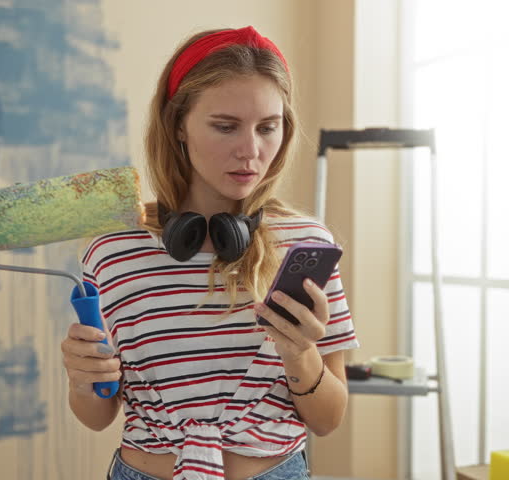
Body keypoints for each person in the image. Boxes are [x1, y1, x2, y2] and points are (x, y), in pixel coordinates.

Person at [61, 26, 359, 480]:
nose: (251, 151)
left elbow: (328, 419)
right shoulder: (113, 249)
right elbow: (98, 415)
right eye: (225, 126)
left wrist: (300, 354)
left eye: (268, 128)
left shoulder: (306, 244)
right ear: (178, 124)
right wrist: (83, 378)